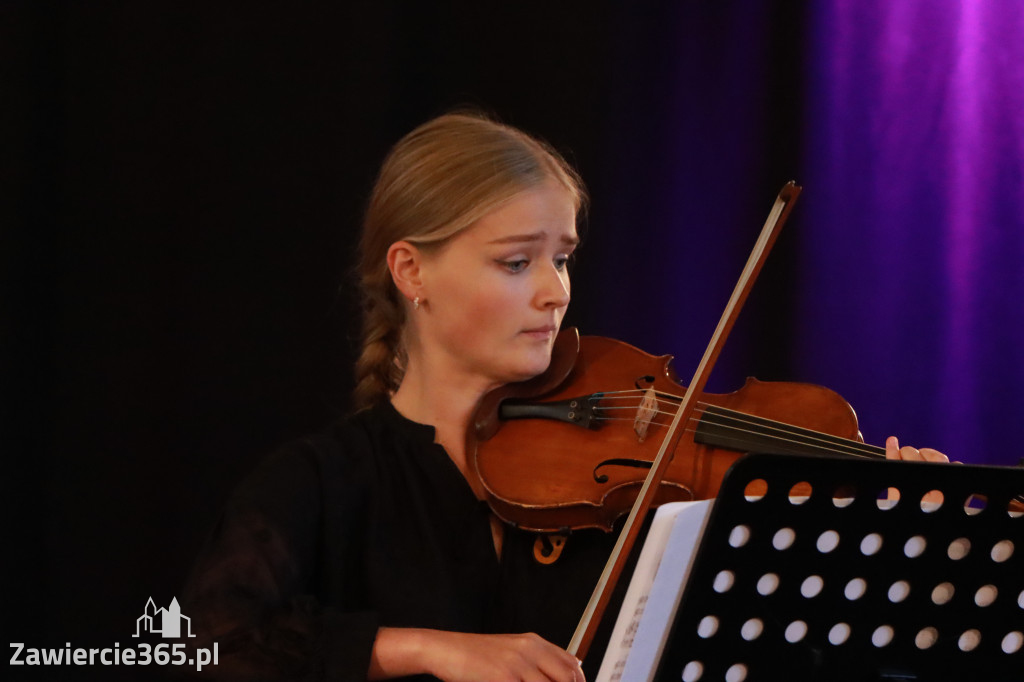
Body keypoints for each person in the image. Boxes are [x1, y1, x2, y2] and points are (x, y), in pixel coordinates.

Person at [182, 111, 949, 682]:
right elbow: (200, 642)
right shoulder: (328, 481)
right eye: (517, 263)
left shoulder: (633, 492)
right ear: (412, 273)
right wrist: (429, 649)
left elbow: (801, 650)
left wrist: (898, 546)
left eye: (562, 259)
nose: (555, 293)